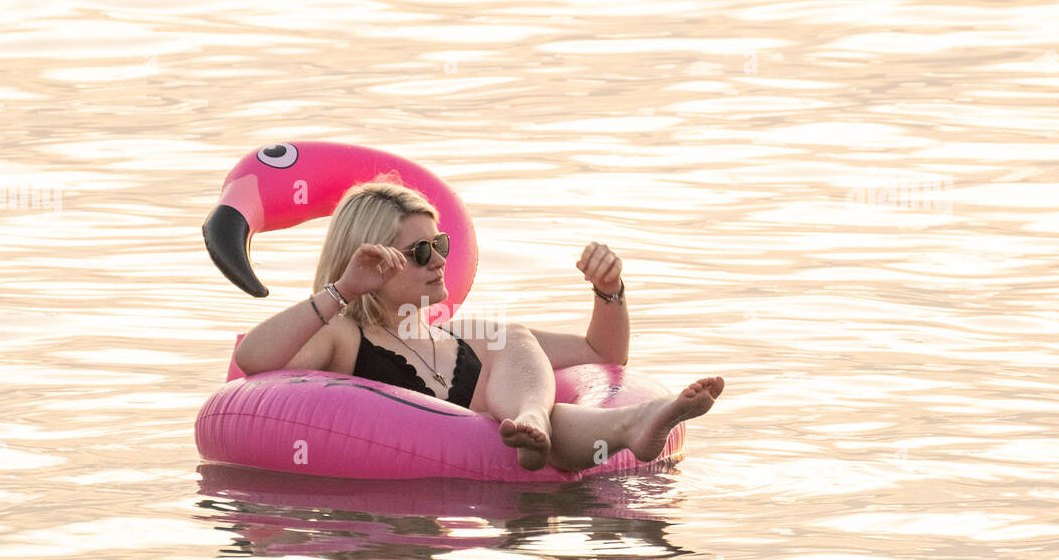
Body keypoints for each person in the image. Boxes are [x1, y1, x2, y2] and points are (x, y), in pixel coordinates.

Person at [233, 180, 724, 471]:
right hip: (406, 512)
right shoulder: (343, 333)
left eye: (440, 244)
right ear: (373, 263)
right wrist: (344, 288)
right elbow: (254, 359)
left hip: (499, 473)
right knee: (518, 364)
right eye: (420, 252)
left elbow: (603, 354)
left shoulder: (468, 338)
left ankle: (614, 422)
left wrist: (609, 291)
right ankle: (544, 424)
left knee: (511, 337)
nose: (438, 261)